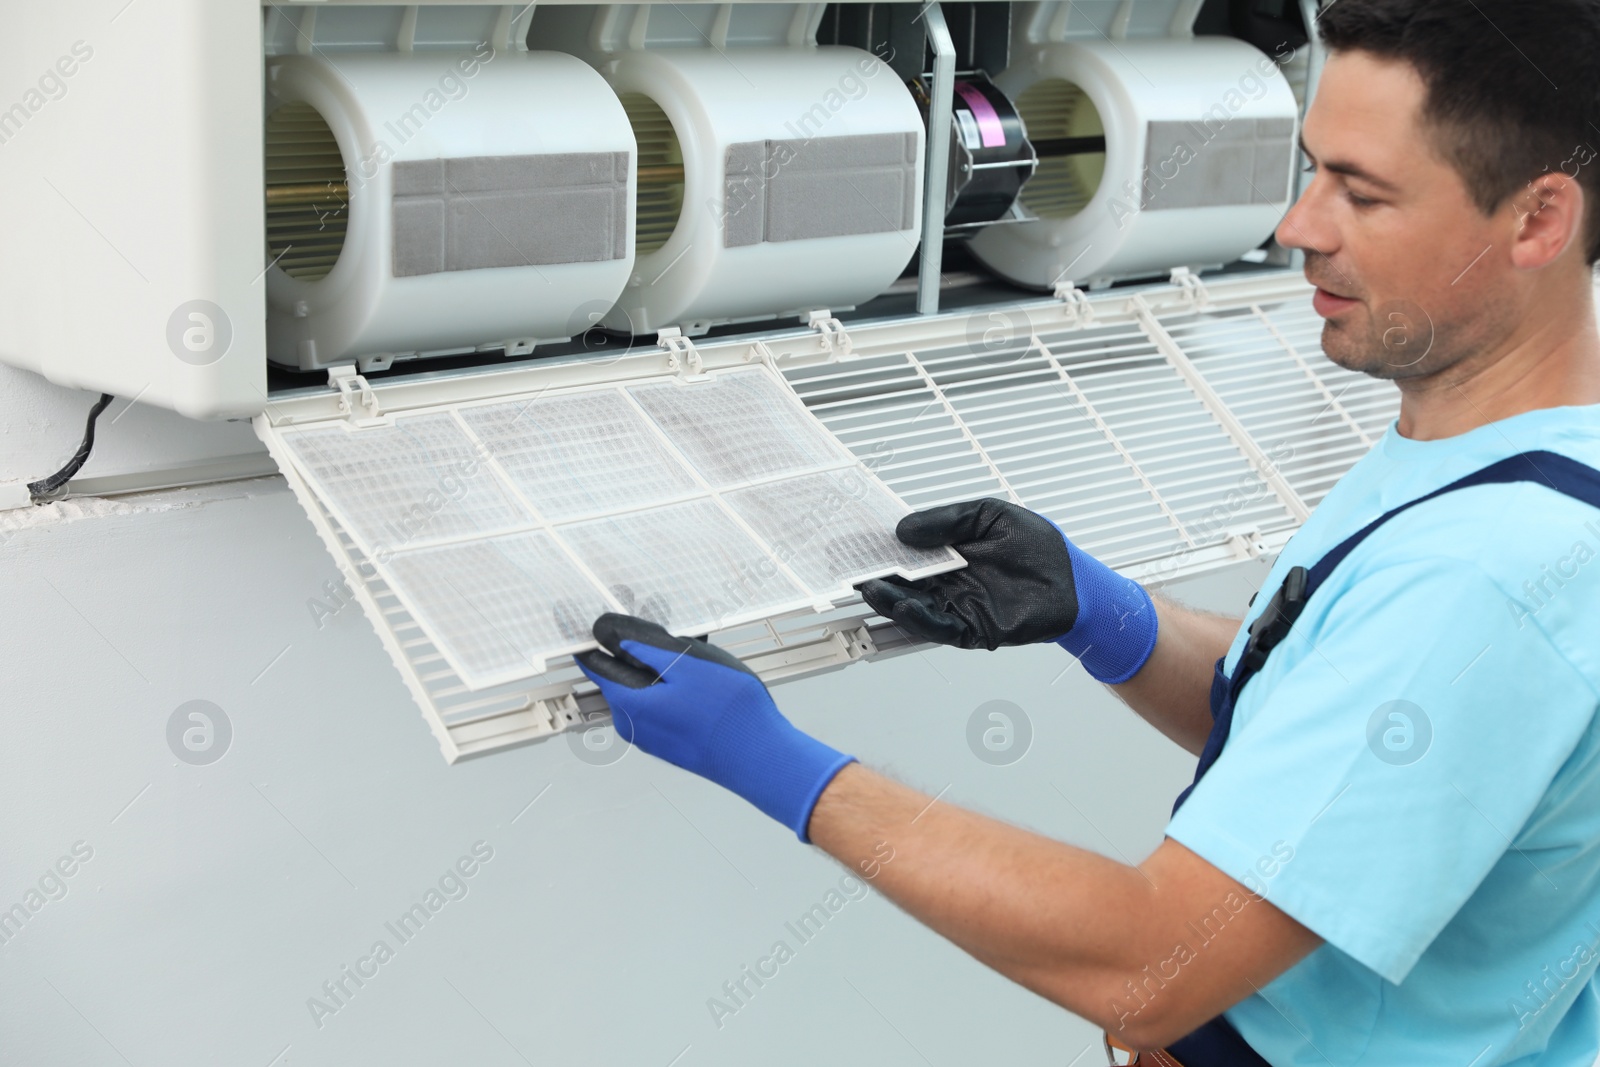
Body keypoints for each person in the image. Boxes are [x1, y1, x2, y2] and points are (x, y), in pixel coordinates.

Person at [576, 1, 1600, 1061]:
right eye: (1312, 169)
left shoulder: (1488, 577)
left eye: (1363, 191)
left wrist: (770, 760)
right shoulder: (1504, 455)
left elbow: (1150, 963)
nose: (1300, 226)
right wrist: (1107, 615)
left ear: (1535, 221)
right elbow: (1340, 745)